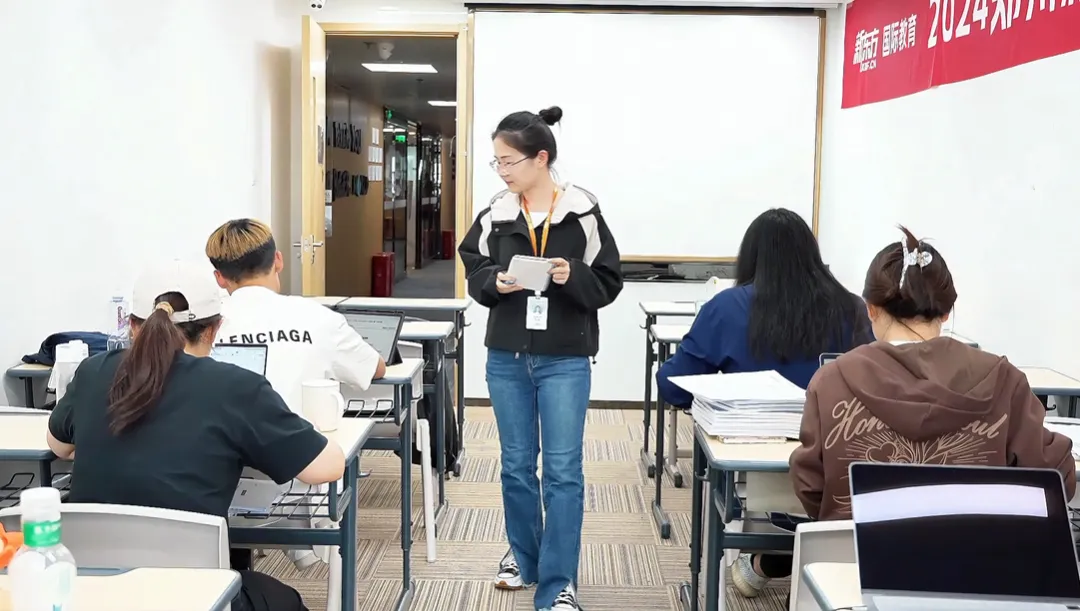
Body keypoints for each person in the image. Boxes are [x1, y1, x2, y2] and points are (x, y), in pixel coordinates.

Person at [733, 227, 1078, 598]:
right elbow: (1055, 479)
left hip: (851, 586)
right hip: (980, 586)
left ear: (870, 308)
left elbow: (811, 486)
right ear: (947, 311)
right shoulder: (1005, 380)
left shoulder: (831, 381)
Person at [46, 260, 346, 611]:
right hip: (196, 596)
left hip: (92, 594)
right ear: (214, 329)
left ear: (132, 326)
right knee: (284, 600)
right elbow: (326, 467)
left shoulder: (93, 371)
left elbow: (58, 445)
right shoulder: (236, 387)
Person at [458, 106, 623, 611]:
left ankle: (558, 582)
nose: (502, 171)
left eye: (509, 161)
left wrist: (572, 274)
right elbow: (473, 267)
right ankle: (523, 558)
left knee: (562, 472)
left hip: (564, 360)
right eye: (497, 162)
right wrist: (495, 281)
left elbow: (609, 282)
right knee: (514, 465)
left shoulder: (582, 213)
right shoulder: (496, 213)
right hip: (506, 356)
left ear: (541, 159)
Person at [205, 217, 386, 571]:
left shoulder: (201, 327)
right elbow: (373, 369)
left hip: (216, 484)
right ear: (278, 260)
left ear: (219, 278)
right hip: (301, 480)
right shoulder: (318, 318)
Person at [657, 207, 873, 410]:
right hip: (833, 432)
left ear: (750, 257)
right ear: (811, 256)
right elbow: (871, 383)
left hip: (745, 434)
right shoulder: (851, 308)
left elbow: (674, 386)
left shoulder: (725, 308)